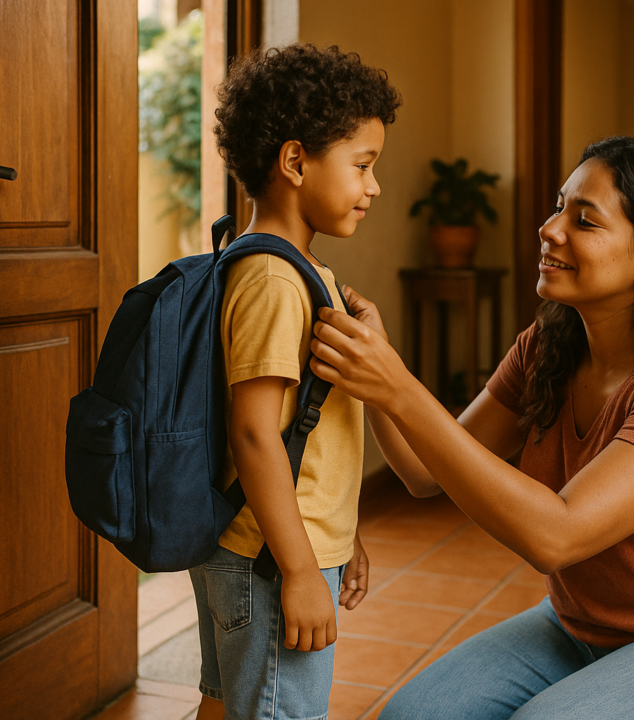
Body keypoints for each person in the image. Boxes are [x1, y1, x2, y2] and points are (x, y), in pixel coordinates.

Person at [309, 136, 634, 719]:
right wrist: (371, 366)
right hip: (577, 627)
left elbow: (554, 536)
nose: (550, 229)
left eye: (584, 221)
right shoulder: (550, 344)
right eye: (559, 206)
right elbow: (420, 473)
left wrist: (397, 386)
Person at [188, 44, 401, 720]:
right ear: (294, 161)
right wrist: (305, 569)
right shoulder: (276, 282)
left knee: (225, 707)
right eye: (363, 166)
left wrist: (340, 530)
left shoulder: (293, 273)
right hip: (271, 561)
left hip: (269, 544)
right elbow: (252, 435)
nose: (373, 187)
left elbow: (301, 429)